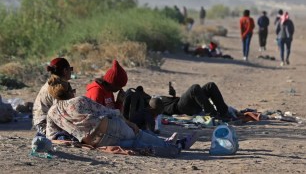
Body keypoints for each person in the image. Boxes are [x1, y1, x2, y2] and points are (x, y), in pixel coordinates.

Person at [45, 76, 198, 157]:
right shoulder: (78, 101)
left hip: (97, 142)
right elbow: (111, 112)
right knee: (137, 135)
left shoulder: (51, 113)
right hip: (112, 127)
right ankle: (172, 145)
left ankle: (169, 145)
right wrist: (129, 122)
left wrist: (76, 136)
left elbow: (52, 136)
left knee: (133, 144)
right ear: (69, 90)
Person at [33, 57, 74, 135]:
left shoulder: (54, 82)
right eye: (70, 69)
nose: (71, 72)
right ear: (65, 71)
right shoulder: (57, 87)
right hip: (45, 124)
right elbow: (61, 111)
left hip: (42, 121)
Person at [161, 82, 229, 119]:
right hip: (180, 108)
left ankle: (223, 113)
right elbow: (160, 109)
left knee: (210, 85)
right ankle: (212, 114)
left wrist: (173, 95)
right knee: (194, 88)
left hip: (185, 104)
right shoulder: (153, 102)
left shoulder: (157, 99)